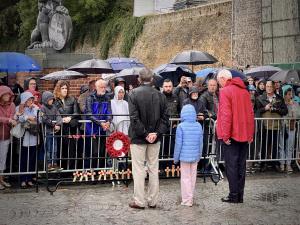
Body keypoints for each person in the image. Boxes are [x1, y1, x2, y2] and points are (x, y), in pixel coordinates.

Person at [128, 68, 168, 209]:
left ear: (139, 79)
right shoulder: (160, 95)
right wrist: (154, 133)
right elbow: (165, 119)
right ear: (152, 80)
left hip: (139, 138)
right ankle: (153, 200)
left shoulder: (132, 94)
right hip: (153, 138)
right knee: (153, 168)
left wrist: (146, 134)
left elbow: (134, 119)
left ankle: (139, 201)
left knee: (138, 170)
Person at [216, 69, 254, 203]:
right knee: (241, 166)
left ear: (222, 79)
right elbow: (250, 113)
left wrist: (225, 136)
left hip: (232, 135)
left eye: (218, 80)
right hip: (244, 134)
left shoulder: (225, 91)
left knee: (231, 166)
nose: (218, 83)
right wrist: (250, 133)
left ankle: (233, 195)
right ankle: (240, 195)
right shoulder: (244, 91)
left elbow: (226, 116)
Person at [173, 104, 203, 207]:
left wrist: (176, 158)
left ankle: (186, 200)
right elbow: (200, 143)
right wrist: (199, 155)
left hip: (184, 157)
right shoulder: (199, 125)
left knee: (185, 178)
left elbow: (178, 144)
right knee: (193, 177)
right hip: (195, 156)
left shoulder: (181, 126)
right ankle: (191, 198)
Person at [255, 81, 288, 171]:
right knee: (264, 146)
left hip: (276, 126)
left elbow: (285, 111)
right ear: (265, 87)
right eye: (267, 86)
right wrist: (264, 108)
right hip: (264, 126)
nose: (269, 88)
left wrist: (275, 109)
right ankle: (263, 164)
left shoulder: (279, 98)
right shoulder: (260, 98)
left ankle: (275, 164)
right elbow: (256, 111)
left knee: (275, 146)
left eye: (270, 86)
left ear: (274, 87)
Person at [85, 79, 112, 168]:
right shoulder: (90, 98)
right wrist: (100, 123)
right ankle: (92, 172)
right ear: (96, 88)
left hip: (103, 128)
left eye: (104, 87)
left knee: (101, 151)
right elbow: (89, 114)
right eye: (101, 87)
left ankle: (101, 171)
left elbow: (109, 112)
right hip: (92, 129)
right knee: (94, 152)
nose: (104, 89)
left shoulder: (107, 98)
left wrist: (108, 121)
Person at [15, 92, 39, 188]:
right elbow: (19, 118)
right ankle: (22, 179)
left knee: (31, 159)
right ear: (24, 100)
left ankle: (29, 178)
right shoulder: (19, 108)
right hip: (24, 137)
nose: (30, 101)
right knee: (23, 159)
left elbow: (38, 119)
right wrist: (28, 117)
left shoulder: (35, 108)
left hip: (33, 137)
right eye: (28, 99)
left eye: (32, 99)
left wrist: (35, 109)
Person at [54, 81, 79, 170]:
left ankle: (71, 171)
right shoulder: (55, 101)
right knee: (61, 151)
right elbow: (53, 114)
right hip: (61, 129)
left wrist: (70, 117)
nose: (65, 90)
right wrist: (61, 119)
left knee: (72, 150)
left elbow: (77, 113)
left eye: (66, 88)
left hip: (71, 128)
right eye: (62, 88)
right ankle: (62, 170)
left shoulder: (72, 99)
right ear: (58, 90)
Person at [279, 86, 300, 172]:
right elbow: (281, 113)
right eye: (288, 94)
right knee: (281, 146)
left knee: (290, 146)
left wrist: (292, 107)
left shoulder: (295, 104)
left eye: (291, 94)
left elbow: (298, 115)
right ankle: (281, 163)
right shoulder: (281, 103)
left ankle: (288, 164)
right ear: (284, 95)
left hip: (291, 126)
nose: (289, 96)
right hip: (282, 126)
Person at [41, 91, 63, 171]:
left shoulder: (54, 107)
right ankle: (49, 164)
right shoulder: (42, 108)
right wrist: (53, 125)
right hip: (47, 132)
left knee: (55, 149)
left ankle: (55, 163)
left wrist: (58, 124)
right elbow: (44, 118)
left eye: (52, 99)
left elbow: (59, 116)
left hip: (54, 132)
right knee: (48, 149)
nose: (52, 101)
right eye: (50, 99)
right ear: (46, 100)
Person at [160, 79, 179, 170]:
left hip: (173, 127)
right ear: (162, 87)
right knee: (162, 147)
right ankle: (162, 168)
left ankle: (172, 168)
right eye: (166, 86)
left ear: (172, 87)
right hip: (162, 127)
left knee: (172, 148)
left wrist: (177, 123)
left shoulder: (176, 97)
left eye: (169, 86)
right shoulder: (159, 97)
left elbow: (179, 111)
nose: (168, 88)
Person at [0, 86, 16, 190]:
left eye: (8, 94)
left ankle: (1, 179)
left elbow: (13, 116)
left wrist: (13, 120)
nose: (7, 96)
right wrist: (8, 120)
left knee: (3, 159)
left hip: (5, 135)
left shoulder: (12, 105)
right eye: (5, 94)